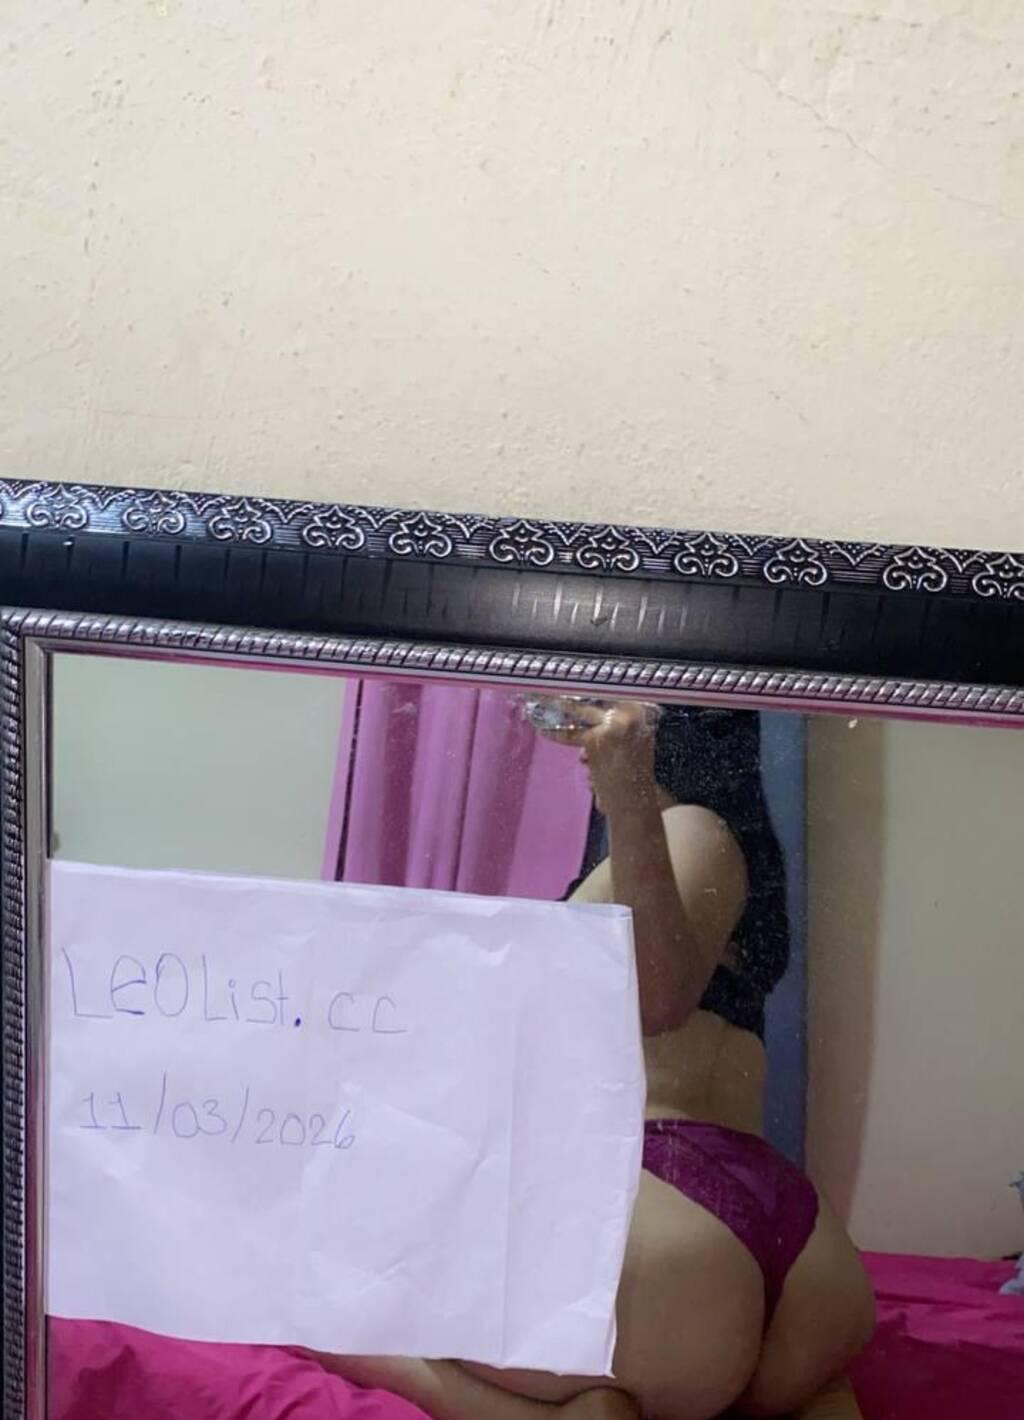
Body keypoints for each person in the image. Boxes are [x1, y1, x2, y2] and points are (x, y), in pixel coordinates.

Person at [316, 701, 874, 1420]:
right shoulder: (707, 873)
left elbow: (656, 997)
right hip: (791, 1256)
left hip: (662, 1202)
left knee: (324, 1298)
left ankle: (554, 1415)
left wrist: (629, 796)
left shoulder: (689, 829)